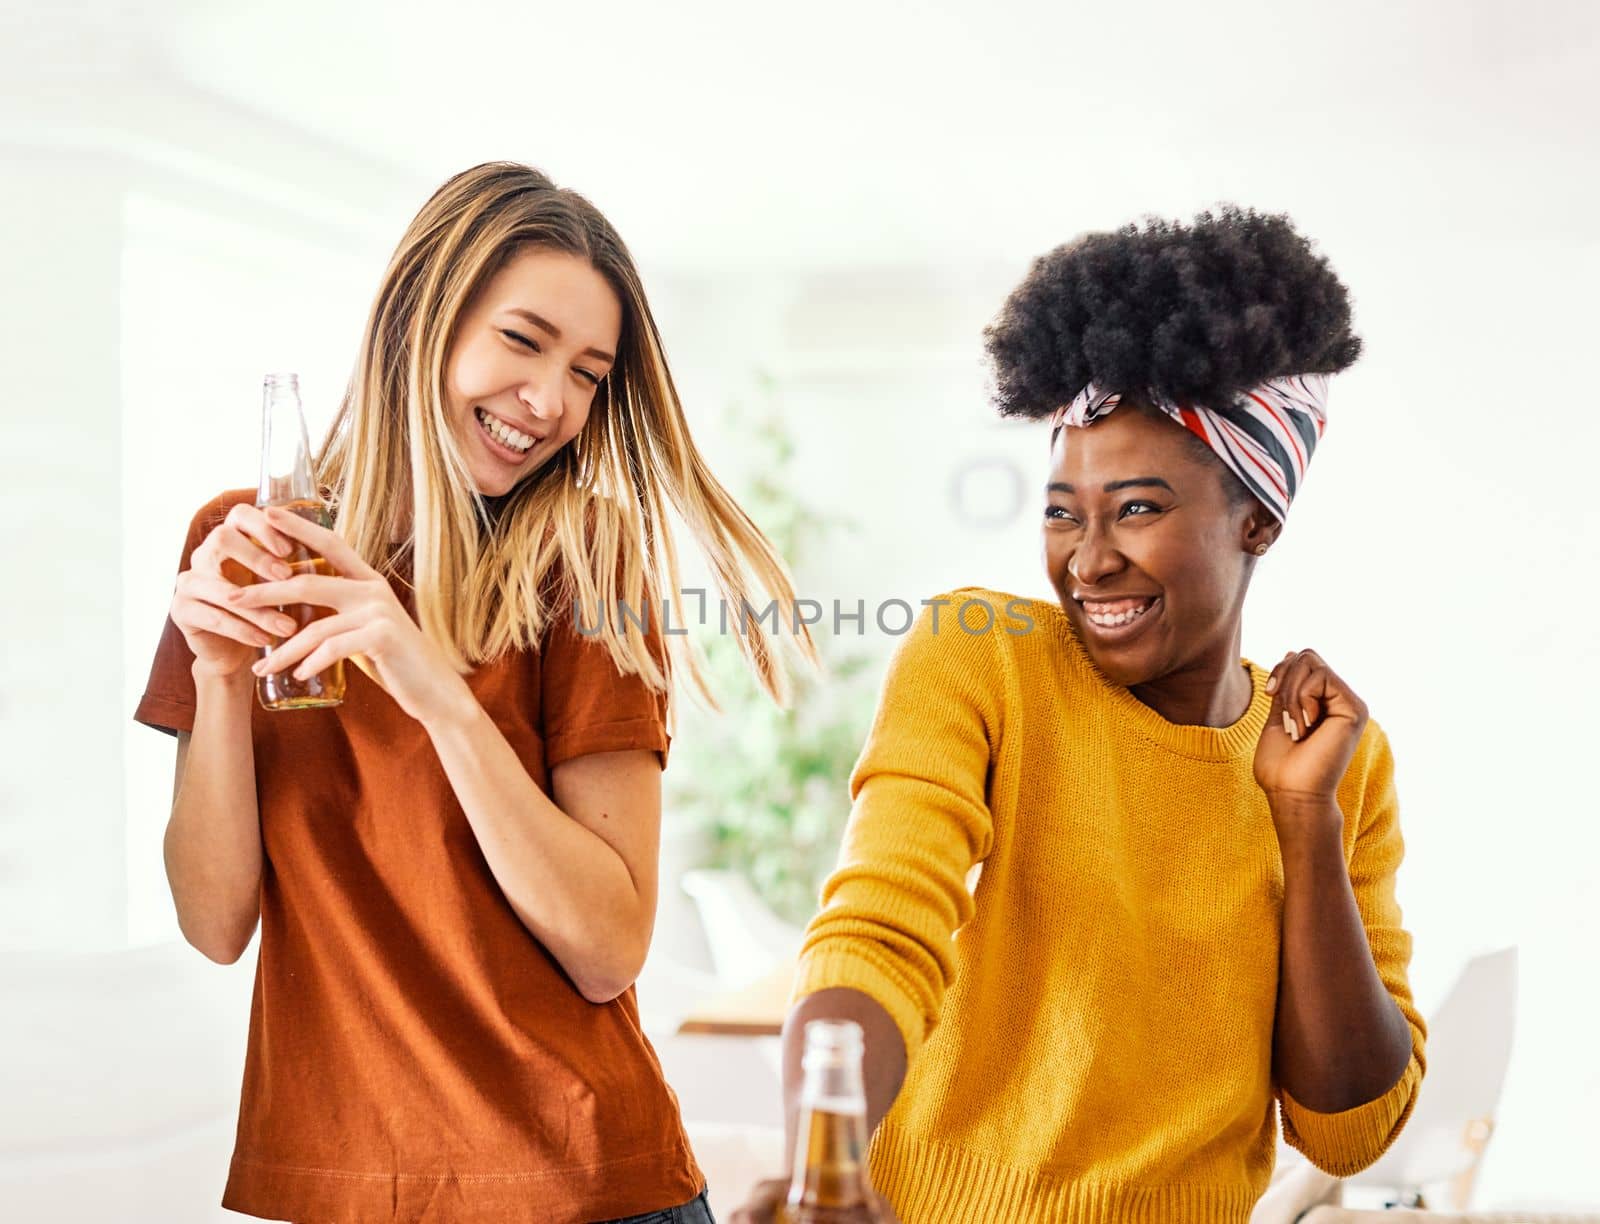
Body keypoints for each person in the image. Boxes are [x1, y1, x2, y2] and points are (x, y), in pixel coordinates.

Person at [137, 161, 809, 1224]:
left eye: (589, 374)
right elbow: (216, 924)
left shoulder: (586, 555)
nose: (549, 403)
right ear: (421, 316)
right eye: (522, 340)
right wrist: (220, 680)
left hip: (578, 1186)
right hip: (336, 1184)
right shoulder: (249, 545)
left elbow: (605, 949)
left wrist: (431, 687)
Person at [734, 208, 1425, 1224]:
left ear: (1257, 520)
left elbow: (1348, 1130)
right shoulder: (980, 655)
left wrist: (1301, 817)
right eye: (1064, 510)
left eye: (1138, 508)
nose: (1087, 558)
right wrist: (823, 1168)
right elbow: (877, 931)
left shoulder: (1330, 759)